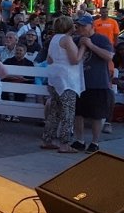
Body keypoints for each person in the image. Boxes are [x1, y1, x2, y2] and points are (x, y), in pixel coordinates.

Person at [70, 14, 114, 153]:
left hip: (98, 82)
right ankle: (80, 140)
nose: (81, 28)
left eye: (84, 25)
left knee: (97, 115)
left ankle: (95, 142)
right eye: (79, 25)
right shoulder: (76, 40)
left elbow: (109, 56)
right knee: (78, 113)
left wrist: (90, 45)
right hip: (79, 83)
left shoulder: (101, 39)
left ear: (92, 26)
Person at [41, 16, 84, 153]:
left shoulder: (54, 38)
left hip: (55, 79)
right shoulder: (66, 39)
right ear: (69, 26)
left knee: (54, 111)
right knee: (68, 112)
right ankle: (65, 144)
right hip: (67, 80)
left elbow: (49, 59)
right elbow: (75, 60)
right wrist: (83, 48)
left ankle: (47, 139)